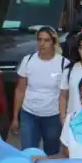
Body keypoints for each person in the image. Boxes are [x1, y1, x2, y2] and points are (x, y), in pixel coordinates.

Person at [11, 27, 67, 155]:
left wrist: (64, 119)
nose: (42, 44)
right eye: (39, 40)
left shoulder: (63, 63)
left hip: (53, 116)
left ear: (53, 42)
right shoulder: (28, 60)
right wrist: (15, 117)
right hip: (29, 114)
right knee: (28, 153)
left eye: (46, 40)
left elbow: (65, 95)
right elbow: (20, 90)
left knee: (51, 153)